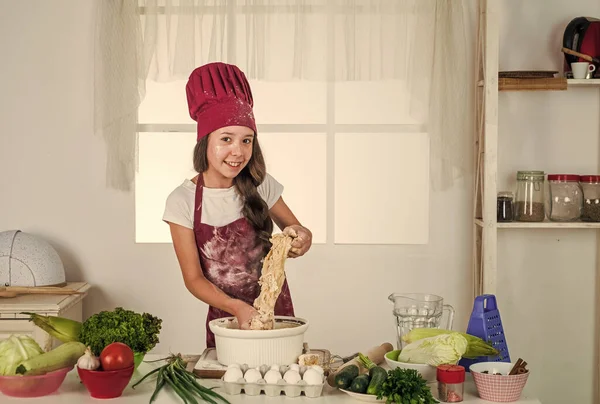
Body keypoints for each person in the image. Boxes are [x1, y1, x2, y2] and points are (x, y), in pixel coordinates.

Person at [162, 62, 313, 348]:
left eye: (247, 140)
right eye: (226, 139)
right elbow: (193, 279)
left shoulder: (260, 184)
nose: (238, 151)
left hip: (276, 314)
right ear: (205, 142)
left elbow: (295, 227)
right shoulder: (181, 201)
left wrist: (302, 237)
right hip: (226, 320)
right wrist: (237, 308)